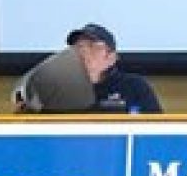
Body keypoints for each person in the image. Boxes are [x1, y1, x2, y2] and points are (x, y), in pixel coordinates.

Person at [34, 23, 164, 114]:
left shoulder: (134, 86)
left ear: (111, 57)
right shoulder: (55, 89)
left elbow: (157, 131)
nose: (84, 52)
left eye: (92, 46)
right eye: (78, 46)